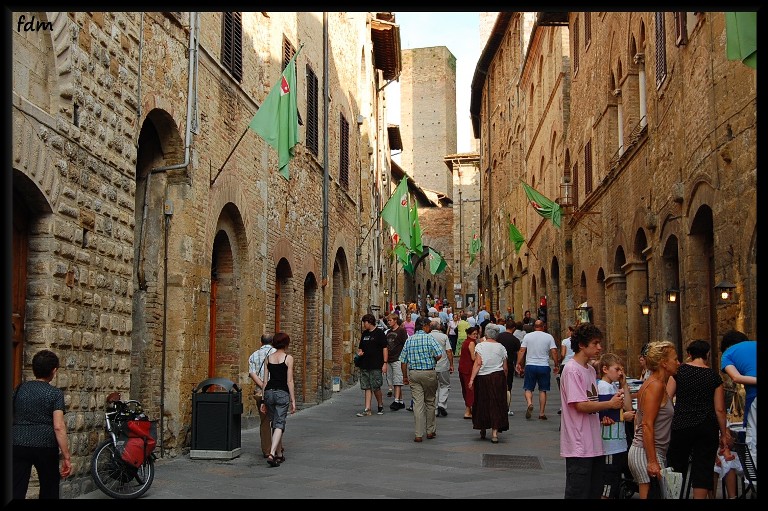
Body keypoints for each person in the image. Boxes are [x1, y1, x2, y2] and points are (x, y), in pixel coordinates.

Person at [559, 323, 624, 499]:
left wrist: (604, 415)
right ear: (581, 345)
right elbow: (580, 405)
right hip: (579, 444)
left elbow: (592, 402)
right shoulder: (572, 370)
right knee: (579, 493)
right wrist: (609, 405)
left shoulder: (589, 370)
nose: (599, 347)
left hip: (594, 442)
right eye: (595, 343)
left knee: (594, 492)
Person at [666, 339, 730, 499]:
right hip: (706, 425)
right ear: (707, 354)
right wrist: (724, 433)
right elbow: (720, 409)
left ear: (689, 354)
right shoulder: (714, 377)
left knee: (676, 465)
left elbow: (667, 398)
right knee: (703, 468)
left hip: (682, 423)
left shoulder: (678, 373)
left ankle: (674, 495)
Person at [13, 349, 72, 499]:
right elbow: (58, 426)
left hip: (18, 443)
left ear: (34, 369)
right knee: (49, 487)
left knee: (16, 488)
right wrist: (66, 456)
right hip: (45, 445)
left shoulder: (19, 389)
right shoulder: (55, 393)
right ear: (54, 371)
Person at [627, 340, 680, 499]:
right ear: (664, 363)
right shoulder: (655, 385)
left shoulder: (658, 384)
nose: (678, 363)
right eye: (675, 359)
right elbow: (647, 425)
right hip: (646, 453)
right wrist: (651, 461)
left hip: (651, 451)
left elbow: (640, 418)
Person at [596, 352, 636, 499]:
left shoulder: (612, 386)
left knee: (615, 481)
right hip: (609, 444)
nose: (620, 373)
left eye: (621, 370)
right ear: (605, 369)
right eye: (617, 369)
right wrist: (622, 417)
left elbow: (628, 407)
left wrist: (624, 385)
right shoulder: (603, 387)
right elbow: (603, 414)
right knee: (608, 482)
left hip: (618, 443)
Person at [399, 317, 443, 442]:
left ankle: (418, 433)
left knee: (417, 404)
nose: (429, 328)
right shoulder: (430, 338)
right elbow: (439, 353)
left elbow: (403, 360)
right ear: (424, 326)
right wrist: (434, 359)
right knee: (430, 401)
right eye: (429, 326)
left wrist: (405, 376)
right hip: (429, 372)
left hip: (414, 373)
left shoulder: (410, 340)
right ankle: (430, 431)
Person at [719, 329, 757, 467]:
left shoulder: (727, 354)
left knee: (753, 437)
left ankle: (753, 480)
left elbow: (736, 377)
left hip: (754, 395)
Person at [468, 323, 509, 443]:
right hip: (498, 377)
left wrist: (471, 379)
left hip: (483, 377)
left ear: (486, 333)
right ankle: (495, 433)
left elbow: (478, 363)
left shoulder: (480, 346)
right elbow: (505, 367)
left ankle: (482, 428)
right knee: (496, 403)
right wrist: (504, 380)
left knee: (482, 402)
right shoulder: (501, 347)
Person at [260, 332, 296, 467]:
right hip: (282, 393)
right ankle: (272, 453)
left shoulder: (268, 358)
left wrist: (263, 400)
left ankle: (279, 454)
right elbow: (290, 381)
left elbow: (264, 381)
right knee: (280, 423)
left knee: (275, 423)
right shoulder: (288, 358)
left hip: (269, 392)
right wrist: (293, 400)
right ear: (286, 344)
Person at [516, 319, 559, 420]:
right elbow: (554, 351)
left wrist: (518, 363)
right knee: (543, 390)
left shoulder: (528, 336)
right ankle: (541, 413)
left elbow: (522, 350)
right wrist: (556, 364)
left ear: (534, 327)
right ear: (543, 326)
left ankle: (530, 403)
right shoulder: (549, 337)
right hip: (544, 366)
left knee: (528, 388)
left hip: (530, 365)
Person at [248, 334, 275, 459]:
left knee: (264, 421)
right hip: (275, 390)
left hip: (260, 392)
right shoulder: (277, 353)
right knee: (277, 420)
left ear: (261, 342)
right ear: (272, 342)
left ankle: (267, 450)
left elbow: (252, 373)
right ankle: (277, 448)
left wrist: (263, 385)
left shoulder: (253, 355)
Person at [355, 313, 388, 417]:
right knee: (367, 387)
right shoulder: (364, 334)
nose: (364, 325)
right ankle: (367, 408)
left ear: (369, 322)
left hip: (376, 364)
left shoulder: (379, 333)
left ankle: (380, 403)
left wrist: (385, 363)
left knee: (376, 387)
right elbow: (361, 348)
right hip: (365, 364)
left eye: (365, 322)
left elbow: (384, 348)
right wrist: (359, 353)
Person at [496, 318, 522, 415]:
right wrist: (518, 364)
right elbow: (519, 352)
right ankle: (506, 408)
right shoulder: (515, 340)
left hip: (497, 364)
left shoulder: (498, 337)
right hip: (509, 364)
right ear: (514, 328)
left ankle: (497, 405)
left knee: (498, 385)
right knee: (508, 386)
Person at [430, 319, 453, 417]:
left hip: (431, 365)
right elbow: (449, 351)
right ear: (439, 327)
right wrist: (451, 364)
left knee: (433, 387)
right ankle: (442, 404)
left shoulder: (427, 336)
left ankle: (434, 409)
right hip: (443, 364)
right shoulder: (444, 336)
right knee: (445, 385)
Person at [385, 313, 408, 411]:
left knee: (398, 380)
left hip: (398, 358)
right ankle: (401, 401)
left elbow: (405, 344)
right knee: (392, 380)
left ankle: (396, 400)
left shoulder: (401, 331)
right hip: (389, 359)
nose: (389, 322)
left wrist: (404, 357)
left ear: (395, 320)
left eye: (390, 320)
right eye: (388, 321)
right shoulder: (388, 332)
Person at [458, 326, 481, 419]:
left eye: (476, 334)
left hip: (463, 368)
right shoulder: (471, 343)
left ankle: (469, 409)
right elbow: (473, 357)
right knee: (470, 390)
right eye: (474, 334)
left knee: (466, 390)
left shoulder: (465, 342)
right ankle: (468, 411)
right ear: (469, 334)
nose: (475, 336)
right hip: (468, 369)